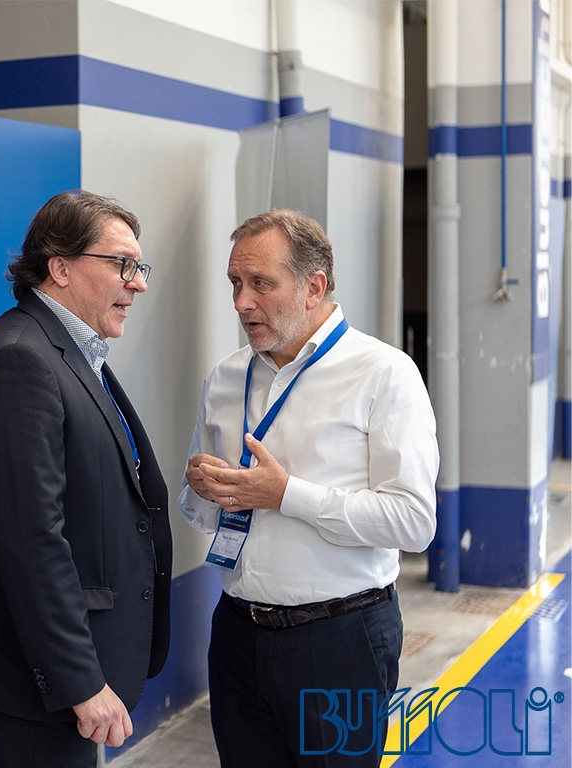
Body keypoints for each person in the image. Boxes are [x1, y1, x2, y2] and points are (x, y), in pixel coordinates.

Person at [179, 209, 438, 767]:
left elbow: (414, 521)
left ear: (314, 287)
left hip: (340, 639)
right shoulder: (226, 377)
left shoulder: (384, 374)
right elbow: (200, 513)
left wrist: (285, 495)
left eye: (261, 283)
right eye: (235, 283)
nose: (241, 302)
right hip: (237, 633)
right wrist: (202, 487)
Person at [0, 190, 173, 768]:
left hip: (64, 675)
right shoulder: (20, 361)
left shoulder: (70, 351)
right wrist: (80, 682)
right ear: (60, 268)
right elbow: (31, 542)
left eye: (139, 267)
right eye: (122, 265)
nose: (138, 284)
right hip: (34, 685)